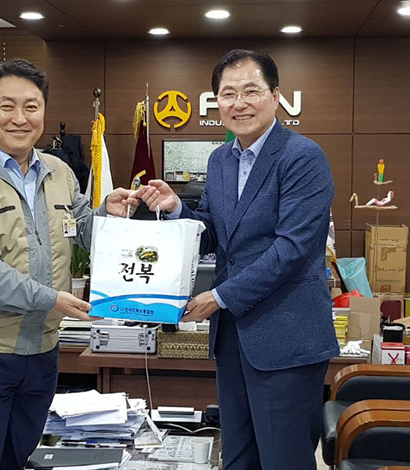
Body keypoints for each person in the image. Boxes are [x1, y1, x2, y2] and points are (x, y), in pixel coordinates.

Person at [137, 49, 339, 469]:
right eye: (228, 94)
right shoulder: (221, 159)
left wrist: (218, 297)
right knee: (237, 457)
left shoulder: (303, 157)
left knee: (283, 460)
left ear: (275, 96)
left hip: (287, 338)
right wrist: (176, 209)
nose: (239, 103)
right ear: (217, 102)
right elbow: (214, 232)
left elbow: (292, 249)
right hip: (232, 338)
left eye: (251, 91)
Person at [0, 59, 137, 470]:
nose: (20, 118)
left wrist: (107, 214)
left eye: (31, 106)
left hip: (44, 350)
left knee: (23, 456)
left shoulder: (58, 171)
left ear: (43, 110)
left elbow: (81, 229)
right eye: (7, 106)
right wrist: (53, 299)